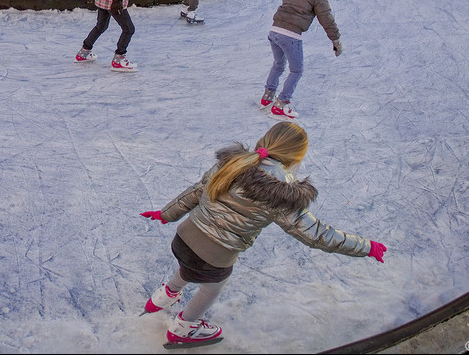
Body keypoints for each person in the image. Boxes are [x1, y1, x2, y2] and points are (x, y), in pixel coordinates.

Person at [139, 122, 385, 346]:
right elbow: (315, 234)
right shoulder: (282, 193)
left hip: (184, 237)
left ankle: (166, 294)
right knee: (211, 287)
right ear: (296, 156)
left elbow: (196, 191)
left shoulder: (233, 162)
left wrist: (166, 214)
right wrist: (365, 247)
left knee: (190, 264)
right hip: (215, 255)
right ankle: (184, 328)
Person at [258, 0, 342, 119]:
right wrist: (336, 40)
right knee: (296, 70)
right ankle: (281, 104)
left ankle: (267, 97)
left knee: (278, 65)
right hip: (290, 35)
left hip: (274, 30)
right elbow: (327, 19)